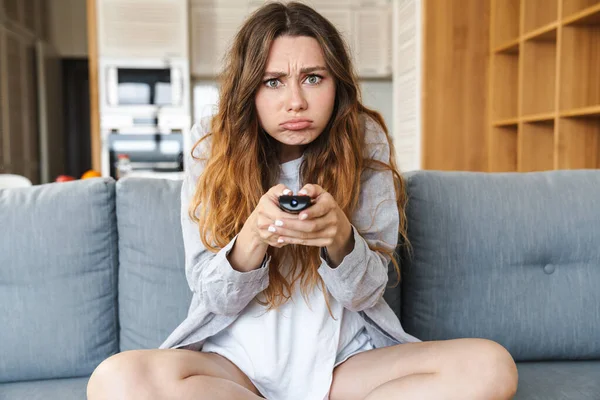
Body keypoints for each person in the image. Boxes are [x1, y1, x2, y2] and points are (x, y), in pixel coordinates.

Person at [87, 2, 518, 399]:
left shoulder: (362, 140)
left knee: (490, 367)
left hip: (344, 365)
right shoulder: (212, 144)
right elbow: (212, 297)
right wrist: (253, 238)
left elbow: (368, 291)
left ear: (336, 82)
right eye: (272, 82)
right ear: (248, 91)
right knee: (114, 380)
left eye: (313, 78)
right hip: (236, 370)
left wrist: (340, 238)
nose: (296, 102)